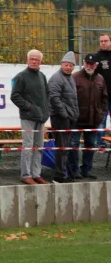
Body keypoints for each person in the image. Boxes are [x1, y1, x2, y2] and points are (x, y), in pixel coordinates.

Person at [10, 49, 50, 185]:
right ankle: (26, 174)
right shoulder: (21, 76)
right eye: (32, 59)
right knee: (28, 146)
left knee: (38, 146)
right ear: (27, 60)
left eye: (37, 59)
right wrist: (29, 107)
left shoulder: (42, 76)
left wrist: (46, 111)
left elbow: (47, 95)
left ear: (41, 62)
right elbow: (15, 96)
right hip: (28, 117)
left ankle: (36, 173)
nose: (34, 61)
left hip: (41, 118)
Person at [69, 54, 108, 180]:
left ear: (96, 65)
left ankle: (87, 169)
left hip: (93, 120)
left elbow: (104, 98)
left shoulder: (100, 79)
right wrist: (72, 113)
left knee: (91, 144)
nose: (89, 66)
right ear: (84, 63)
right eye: (87, 63)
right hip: (76, 119)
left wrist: (101, 113)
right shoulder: (75, 77)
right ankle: (74, 170)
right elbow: (69, 98)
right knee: (73, 145)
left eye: (92, 64)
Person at [48, 51, 78, 183]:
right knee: (61, 147)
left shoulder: (70, 78)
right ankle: (59, 176)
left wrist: (74, 115)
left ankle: (65, 173)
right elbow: (54, 98)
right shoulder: (56, 78)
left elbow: (72, 99)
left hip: (69, 118)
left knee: (66, 147)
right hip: (60, 118)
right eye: (66, 64)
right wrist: (64, 114)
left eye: (71, 65)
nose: (68, 67)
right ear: (61, 64)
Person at [95, 34, 111, 146]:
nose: (103, 43)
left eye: (105, 41)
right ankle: (101, 143)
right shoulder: (97, 57)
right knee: (101, 119)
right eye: (101, 41)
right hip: (102, 95)